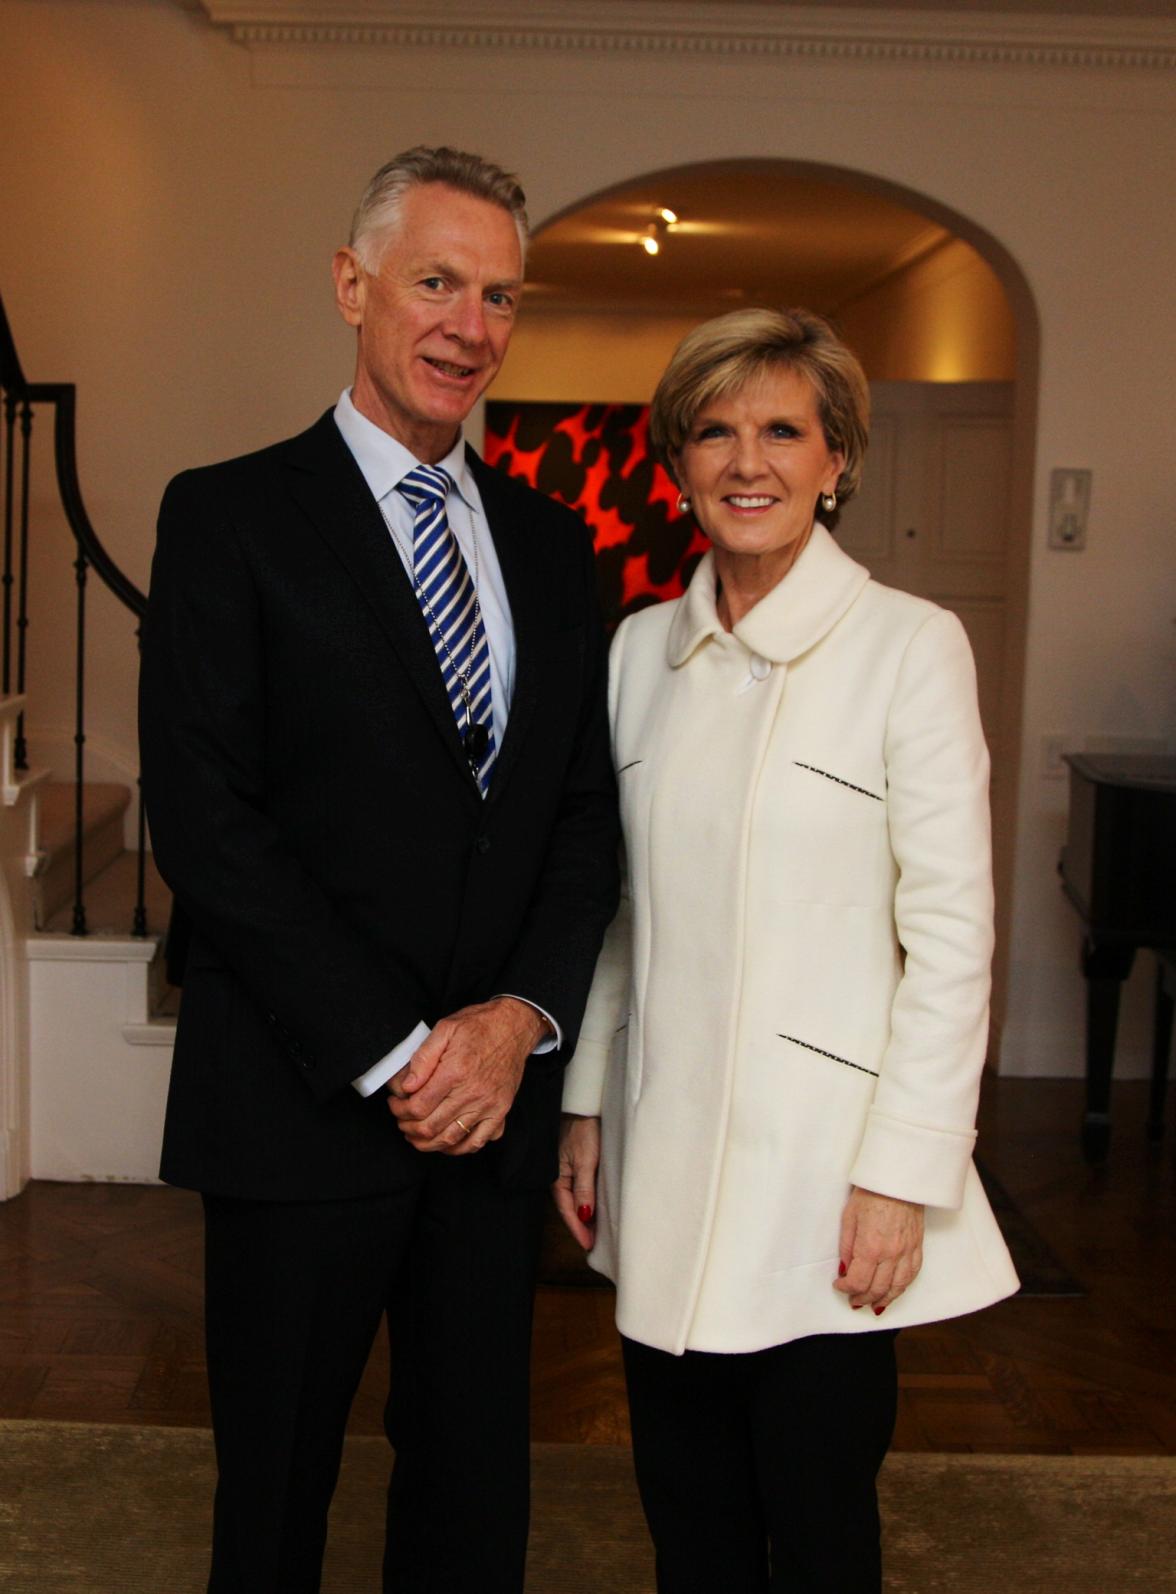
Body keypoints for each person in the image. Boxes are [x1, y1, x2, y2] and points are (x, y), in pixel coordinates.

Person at [139, 146, 619, 1594]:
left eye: (501, 295)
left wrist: (517, 1020)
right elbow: (208, 825)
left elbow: (584, 815)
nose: (471, 324)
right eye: (437, 282)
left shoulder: (553, 541)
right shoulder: (227, 517)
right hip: (300, 1102)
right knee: (274, 1494)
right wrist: (405, 1050)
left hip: (491, 1121)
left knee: (474, 1490)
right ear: (352, 286)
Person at [554, 307, 1018, 1593]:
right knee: (685, 1520)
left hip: (829, 1180)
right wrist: (586, 1098)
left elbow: (952, 937)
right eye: (715, 430)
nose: (746, 461)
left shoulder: (911, 646)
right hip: (662, 1158)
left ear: (837, 460)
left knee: (817, 1528)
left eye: (781, 430)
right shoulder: (637, 650)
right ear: (679, 458)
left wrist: (904, 1174)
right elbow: (619, 908)